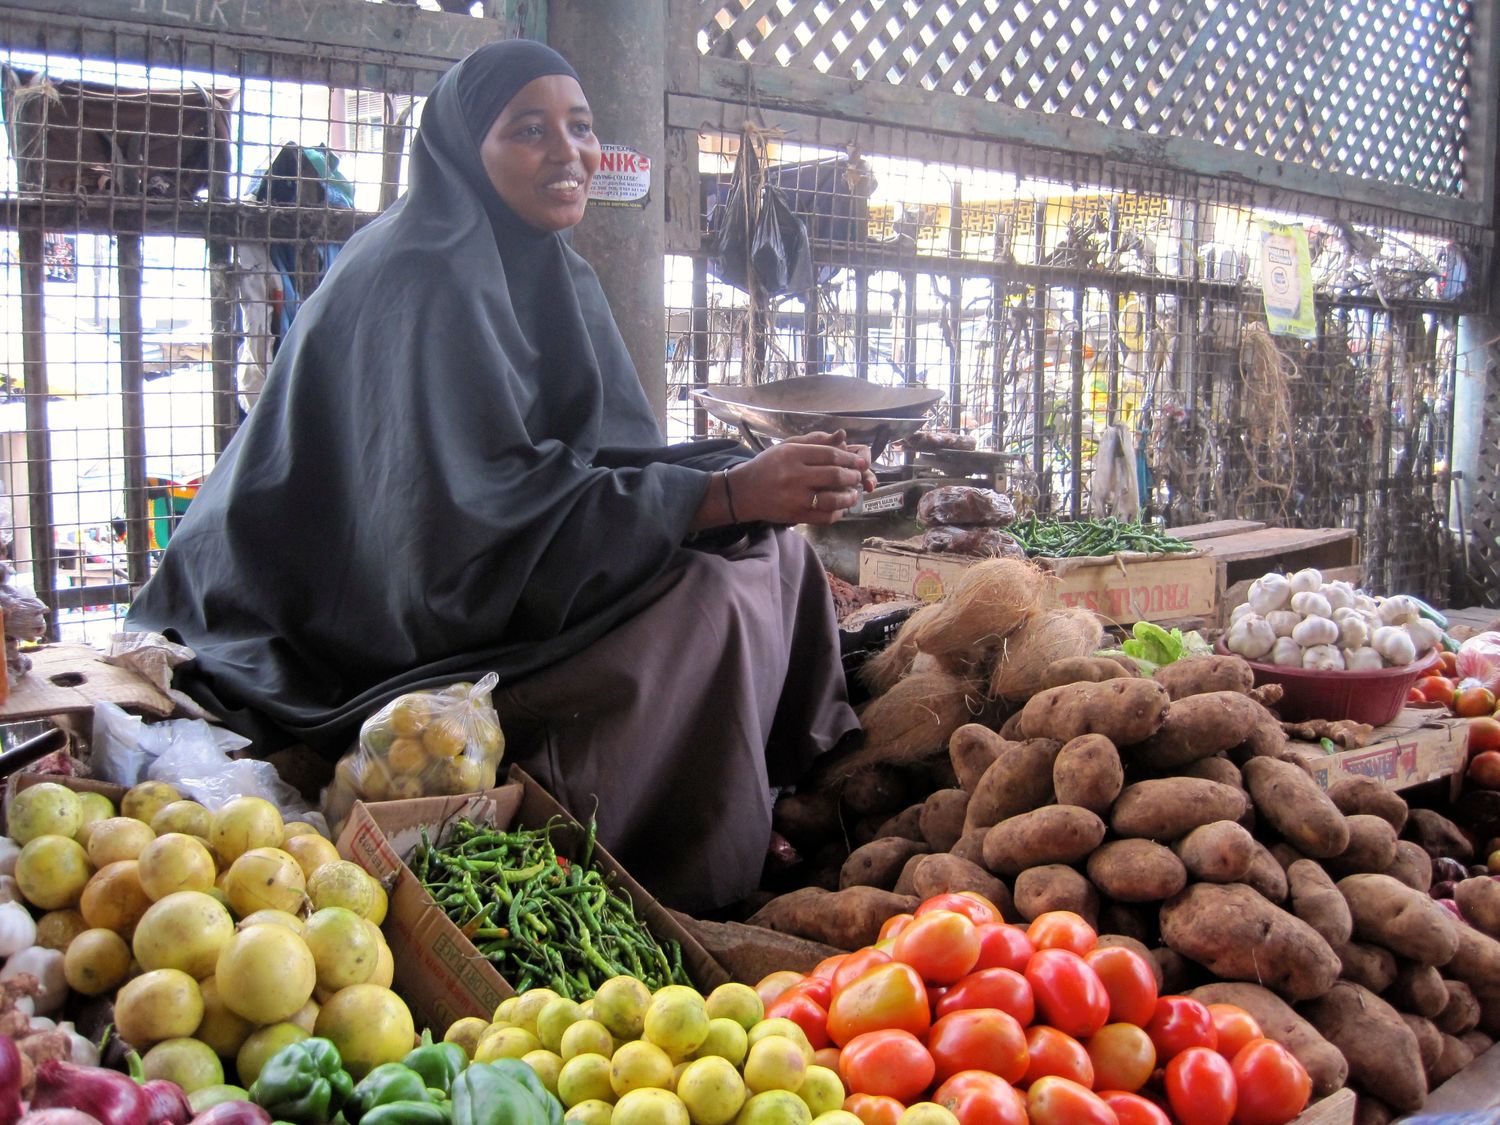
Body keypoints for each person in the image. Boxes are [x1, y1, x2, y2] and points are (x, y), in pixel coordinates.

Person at [126, 39, 873, 912]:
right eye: (528, 130)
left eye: (582, 127)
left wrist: (746, 483)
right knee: (702, 607)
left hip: (488, 548)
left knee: (766, 553)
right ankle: (662, 863)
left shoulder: (556, 269)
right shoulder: (419, 274)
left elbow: (603, 461)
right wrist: (725, 493)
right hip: (345, 614)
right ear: (461, 152)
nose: (569, 152)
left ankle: (780, 792)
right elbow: (454, 539)